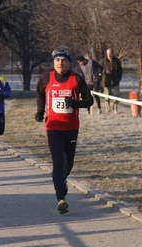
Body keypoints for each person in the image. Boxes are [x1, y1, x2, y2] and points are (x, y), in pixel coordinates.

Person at [35, 45, 93, 214]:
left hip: (71, 127)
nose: (61, 64)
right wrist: (40, 111)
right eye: (58, 60)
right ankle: (61, 198)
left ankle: (61, 181)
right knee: (58, 161)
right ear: (54, 62)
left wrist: (74, 103)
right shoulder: (46, 78)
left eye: (64, 60)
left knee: (68, 164)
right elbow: (39, 93)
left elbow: (89, 101)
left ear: (69, 62)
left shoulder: (76, 79)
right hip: (53, 126)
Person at [100, 48, 123, 113]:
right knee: (107, 96)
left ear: (112, 53)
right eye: (108, 54)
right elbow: (99, 70)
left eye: (110, 54)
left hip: (115, 81)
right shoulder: (103, 61)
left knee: (116, 94)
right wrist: (105, 71)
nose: (109, 55)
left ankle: (115, 108)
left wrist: (118, 78)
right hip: (106, 81)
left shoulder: (117, 61)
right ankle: (108, 109)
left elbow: (120, 71)